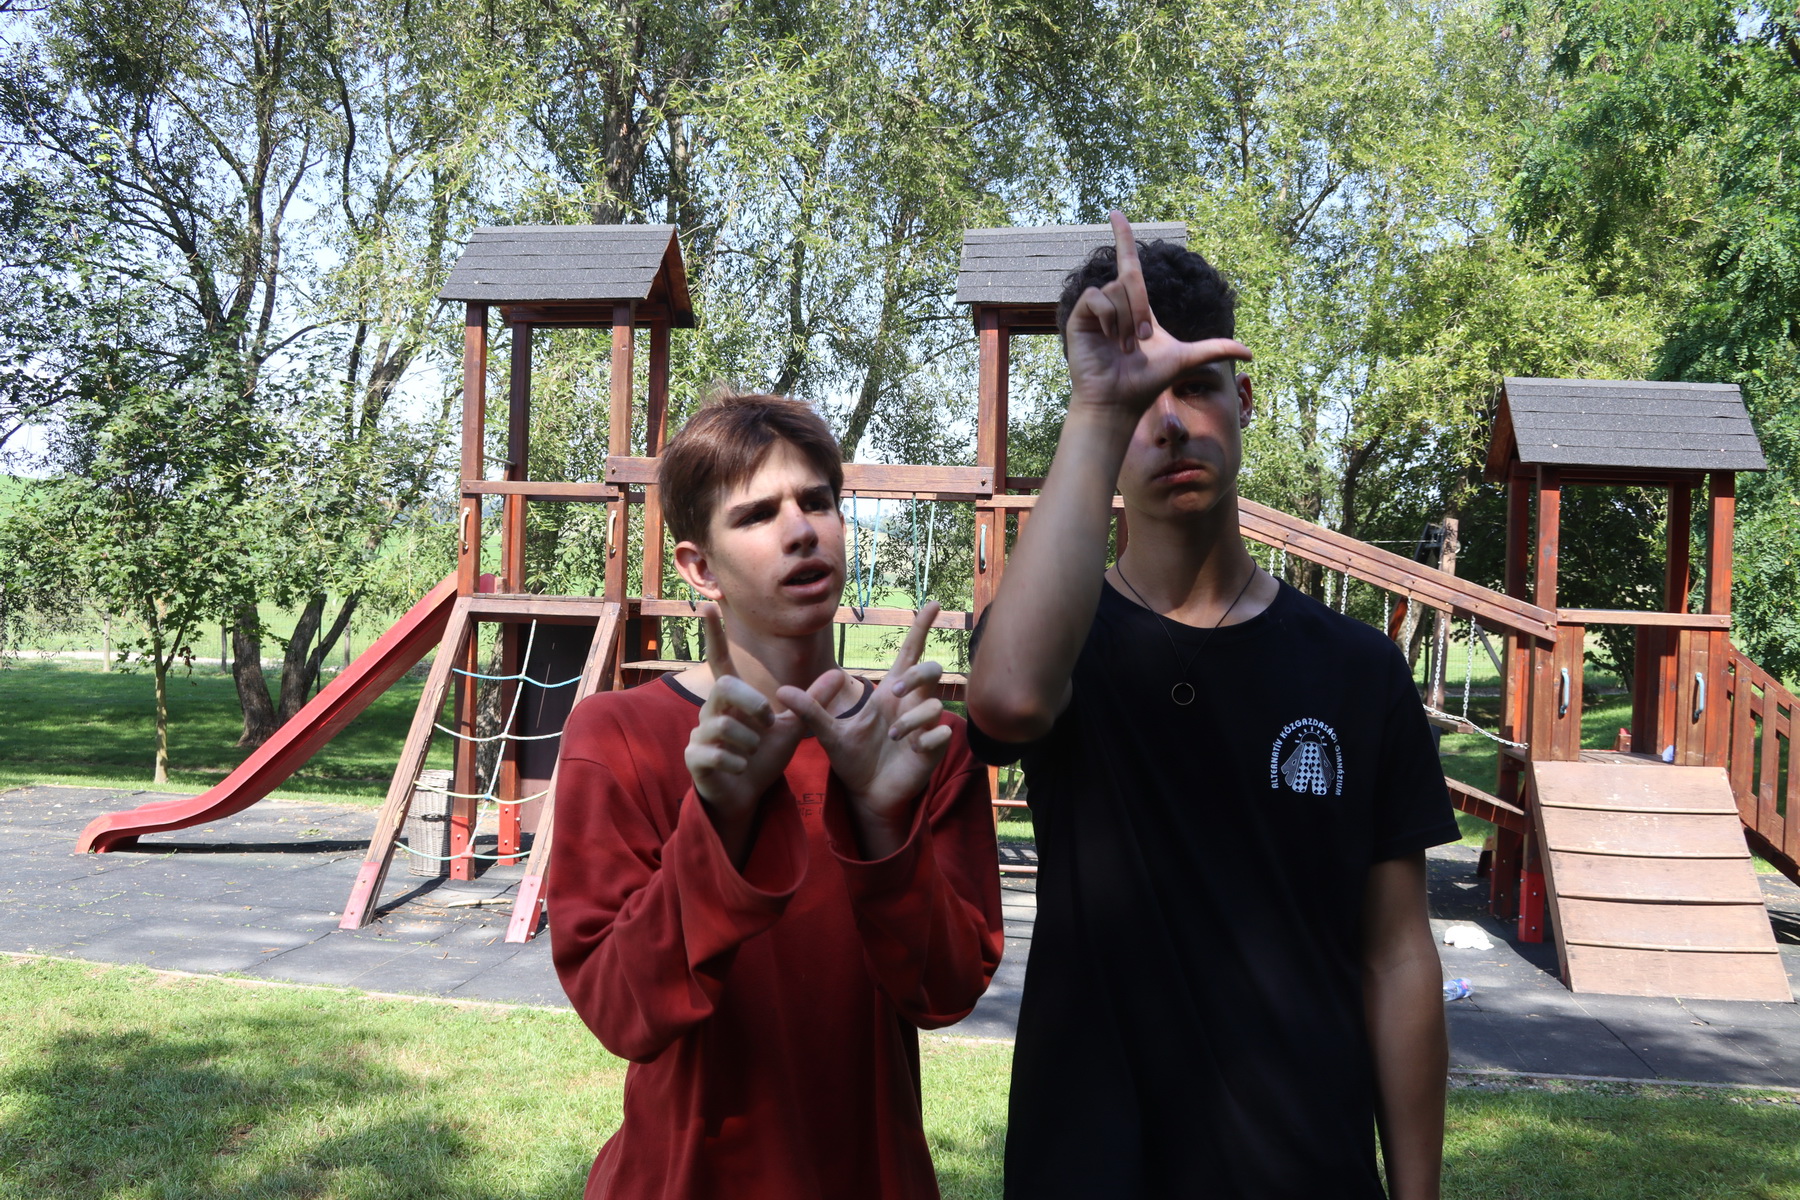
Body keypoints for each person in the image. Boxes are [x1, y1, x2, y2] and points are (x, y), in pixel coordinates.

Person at [966, 214, 1458, 1199]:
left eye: (1195, 384)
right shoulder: (1055, 645)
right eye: (1137, 398)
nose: (1168, 422)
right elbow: (1009, 702)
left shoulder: (1358, 670)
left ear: (1245, 400)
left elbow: (1399, 957)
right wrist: (1097, 404)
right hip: (1088, 1170)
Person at [547, 391, 1003, 1200]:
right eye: (758, 515)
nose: (801, 530)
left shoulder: (924, 744)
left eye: (817, 502)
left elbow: (946, 993)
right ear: (699, 567)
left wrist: (883, 822)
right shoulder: (617, 736)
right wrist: (719, 819)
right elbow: (622, 1011)